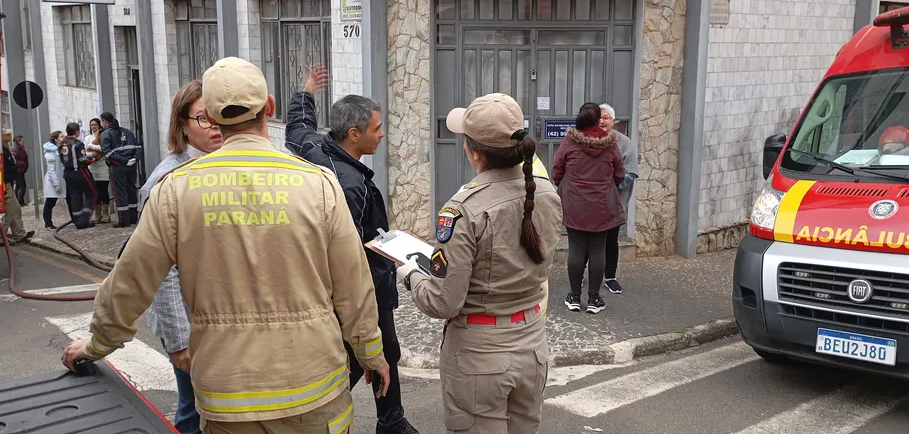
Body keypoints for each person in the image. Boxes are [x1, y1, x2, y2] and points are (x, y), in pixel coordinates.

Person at [61, 57, 390, 434]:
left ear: (212, 118)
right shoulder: (318, 184)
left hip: (228, 396)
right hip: (313, 387)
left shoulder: (175, 191)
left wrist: (96, 345)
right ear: (269, 107)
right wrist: (371, 353)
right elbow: (354, 286)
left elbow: (128, 284)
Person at [396, 92, 562, 433]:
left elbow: (444, 301)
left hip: (480, 353)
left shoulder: (462, 209)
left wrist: (411, 275)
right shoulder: (546, 192)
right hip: (532, 342)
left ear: (474, 152)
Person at [285, 66, 418, 434]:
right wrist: (395, 255)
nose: (382, 133)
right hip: (362, 290)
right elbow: (349, 254)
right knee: (367, 356)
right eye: (376, 128)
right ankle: (332, 417)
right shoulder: (348, 186)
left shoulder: (315, 148)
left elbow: (297, 127)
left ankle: (390, 420)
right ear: (355, 134)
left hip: (347, 286)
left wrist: (306, 90)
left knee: (381, 352)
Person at [135, 80, 223, 434]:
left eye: (219, 115)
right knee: (193, 411)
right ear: (182, 124)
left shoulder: (223, 168)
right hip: (190, 328)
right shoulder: (168, 180)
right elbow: (161, 272)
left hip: (222, 323)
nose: (214, 125)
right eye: (203, 118)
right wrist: (178, 341)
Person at [552, 102, 624, 314]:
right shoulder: (610, 143)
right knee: (598, 250)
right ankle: (594, 299)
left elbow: (557, 169)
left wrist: (566, 185)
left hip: (574, 205)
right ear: (596, 120)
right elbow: (619, 173)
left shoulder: (570, 141)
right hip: (602, 205)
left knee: (575, 249)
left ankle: (574, 297)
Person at [596, 104, 638, 295]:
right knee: (587, 242)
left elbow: (631, 173)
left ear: (613, 121)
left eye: (606, 117)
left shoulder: (624, 142)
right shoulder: (588, 140)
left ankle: (610, 277)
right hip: (590, 203)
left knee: (611, 240)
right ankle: (580, 276)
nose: (602, 121)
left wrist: (608, 188)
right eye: (599, 117)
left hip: (614, 203)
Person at [99, 111, 142, 228]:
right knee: (131, 189)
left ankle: (124, 220)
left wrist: (123, 161)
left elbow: (107, 153)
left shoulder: (106, 134)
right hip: (131, 166)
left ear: (104, 121)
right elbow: (138, 147)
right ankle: (133, 218)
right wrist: (134, 159)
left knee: (120, 192)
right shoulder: (128, 132)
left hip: (117, 166)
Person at [59, 123, 97, 230]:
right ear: (77, 131)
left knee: (75, 196)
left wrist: (87, 155)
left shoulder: (62, 143)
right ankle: (85, 219)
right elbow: (82, 159)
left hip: (67, 173)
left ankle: (77, 220)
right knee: (92, 193)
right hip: (80, 172)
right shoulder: (78, 143)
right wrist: (93, 159)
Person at [3, 130, 35, 243]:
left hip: (9, 183)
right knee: (9, 211)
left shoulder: (5, 148)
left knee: (16, 209)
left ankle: (19, 233)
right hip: (4, 184)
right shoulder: (2, 150)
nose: (8, 134)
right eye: (4, 132)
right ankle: (1, 235)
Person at [84, 118, 112, 223]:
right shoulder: (87, 138)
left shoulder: (104, 136)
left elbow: (104, 149)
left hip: (103, 166)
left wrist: (93, 148)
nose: (93, 127)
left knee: (104, 190)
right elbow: (85, 151)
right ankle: (97, 214)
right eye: (92, 125)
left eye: (95, 124)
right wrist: (92, 154)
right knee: (95, 191)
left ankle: (105, 213)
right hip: (92, 167)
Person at [42, 131, 69, 230]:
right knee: (50, 202)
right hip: (53, 181)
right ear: (56, 139)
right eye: (61, 137)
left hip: (61, 180)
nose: (64, 138)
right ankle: (48, 224)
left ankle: (75, 219)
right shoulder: (50, 152)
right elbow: (51, 170)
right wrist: (56, 184)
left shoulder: (59, 150)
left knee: (69, 199)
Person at [10, 135, 29, 206]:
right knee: (22, 186)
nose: (24, 142)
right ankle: (20, 202)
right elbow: (13, 160)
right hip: (18, 170)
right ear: (19, 141)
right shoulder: (15, 149)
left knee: (19, 186)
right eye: (22, 141)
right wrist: (22, 164)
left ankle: (19, 201)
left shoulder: (19, 148)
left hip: (20, 170)